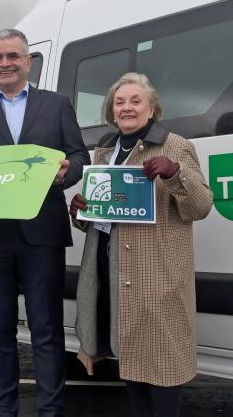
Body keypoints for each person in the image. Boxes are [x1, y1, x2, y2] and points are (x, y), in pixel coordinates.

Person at [0, 29, 90, 417]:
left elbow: (79, 155)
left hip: (41, 235)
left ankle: (51, 411)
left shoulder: (57, 104)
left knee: (47, 332)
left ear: (28, 62)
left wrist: (68, 173)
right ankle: (4, 410)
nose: (4, 63)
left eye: (12, 56)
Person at [69, 72, 213, 417]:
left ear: (152, 109)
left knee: (162, 363)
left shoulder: (176, 146)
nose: (127, 108)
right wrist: (81, 212)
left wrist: (175, 173)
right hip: (111, 270)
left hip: (156, 273)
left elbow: (201, 206)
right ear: (111, 111)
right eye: (120, 102)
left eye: (135, 101)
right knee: (130, 358)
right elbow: (103, 215)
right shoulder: (104, 152)